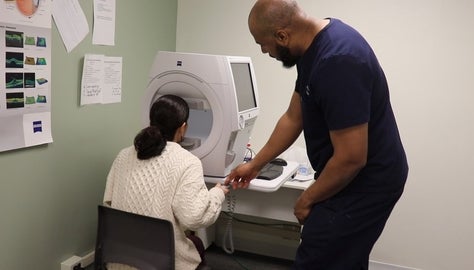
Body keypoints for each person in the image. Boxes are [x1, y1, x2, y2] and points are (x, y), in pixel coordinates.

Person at [225, 0, 408, 269]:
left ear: (282, 36)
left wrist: (305, 199)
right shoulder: (312, 46)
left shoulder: (338, 61)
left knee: (319, 253)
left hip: (368, 181)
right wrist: (255, 164)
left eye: (262, 44)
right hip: (351, 173)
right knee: (344, 256)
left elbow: (351, 158)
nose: (264, 51)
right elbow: (293, 117)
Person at [104, 94, 229, 270]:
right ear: (183, 128)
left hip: (120, 259)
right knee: (197, 244)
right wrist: (217, 193)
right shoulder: (188, 162)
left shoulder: (123, 155)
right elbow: (194, 218)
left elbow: (110, 201)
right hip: (162, 263)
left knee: (193, 243)